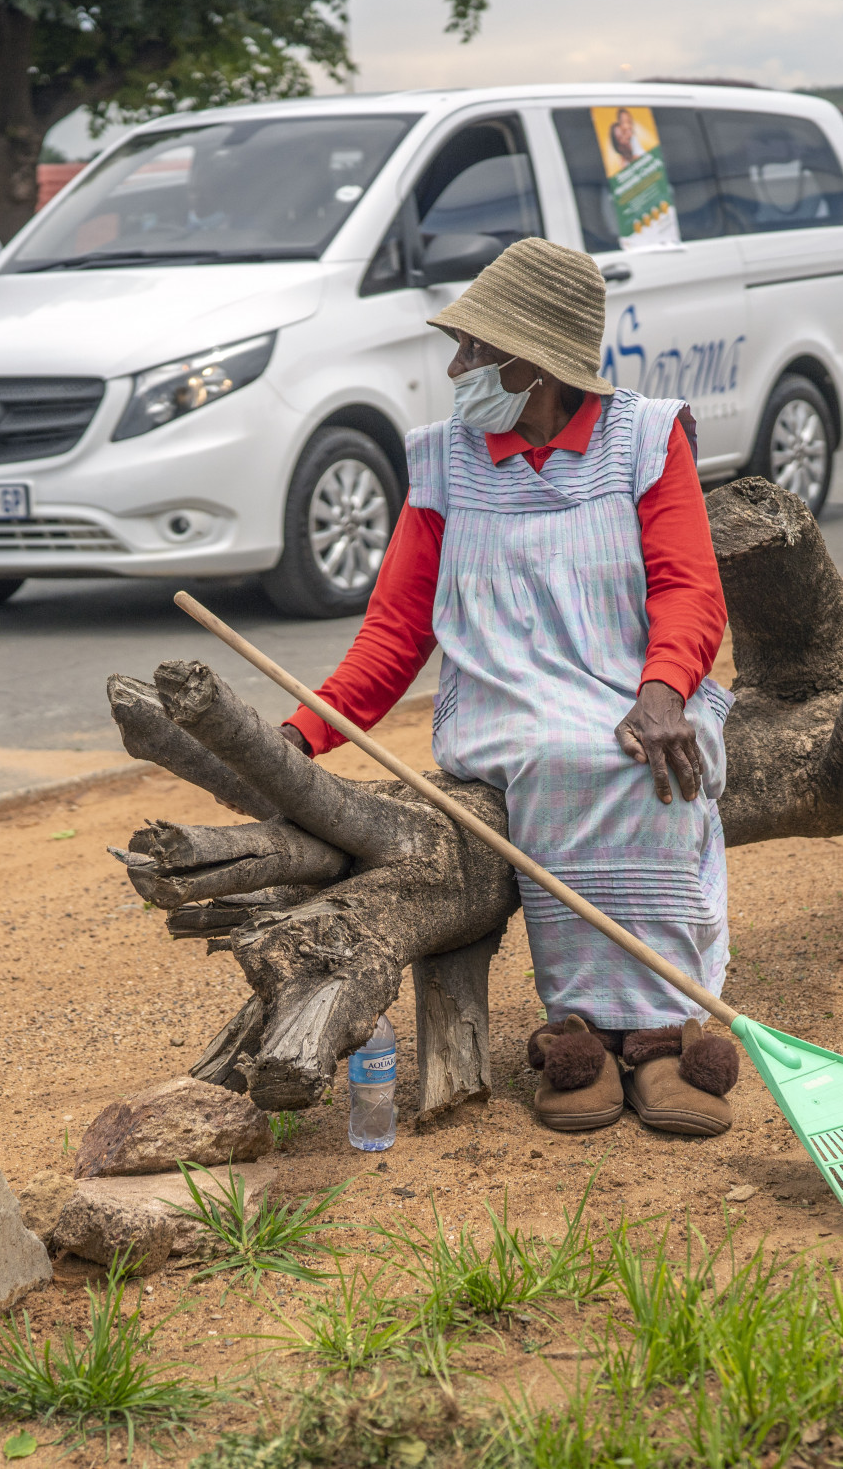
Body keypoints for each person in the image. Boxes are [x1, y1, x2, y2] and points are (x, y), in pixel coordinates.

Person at [278, 237, 742, 1136]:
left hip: (634, 689)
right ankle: (587, 1031)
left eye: (476, 351)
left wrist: (664, 690)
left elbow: (689, 586)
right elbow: (397, 628)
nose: (457, 368)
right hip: (506, 708)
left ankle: (649, 1036)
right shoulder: (443, 461)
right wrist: (308, 731)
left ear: (534, 367)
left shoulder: (647, 440)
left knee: (648, 760)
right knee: (567, 756)